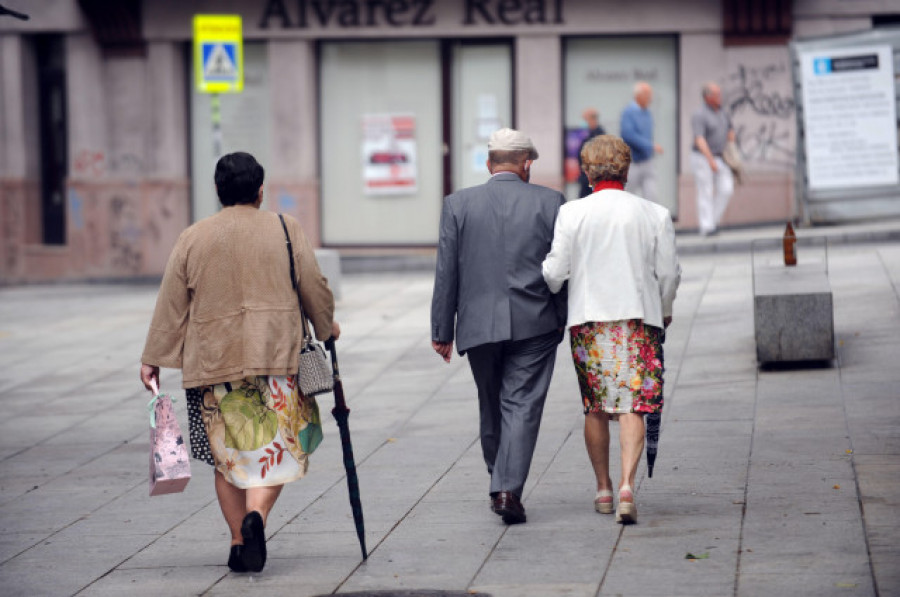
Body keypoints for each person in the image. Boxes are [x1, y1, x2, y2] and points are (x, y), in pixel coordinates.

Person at [139, 152, 340, 573]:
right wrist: (326, 326)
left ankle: (237, 541)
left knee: (227, 456)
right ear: (260, 190)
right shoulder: (286, 228)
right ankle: (257, 519)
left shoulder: (193, 237)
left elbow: (171, 304)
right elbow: (313, 286)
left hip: (215, 362)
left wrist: (153, 358)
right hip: (278, 357)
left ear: (217, 191)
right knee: (277, 448)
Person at [431, 128, 567, 525]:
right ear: (527, 164)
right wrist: (563, 317)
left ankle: (501, 480)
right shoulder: (551, 202)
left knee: (491, 402)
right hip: (536, 321)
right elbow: (562, 267)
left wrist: (442, 330)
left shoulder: (458, 204)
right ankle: (506, 487)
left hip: (478, 325)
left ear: (490, 164)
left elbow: (446, 272)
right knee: (521, 404)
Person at [542, 135, 680, 524]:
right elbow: (668, 274)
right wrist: (664, 309)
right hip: (639, 320)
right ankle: (627, 487)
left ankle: (602, 488)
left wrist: (548, 280)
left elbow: (555, 273)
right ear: (627, 169)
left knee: (597, 405)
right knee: (634, 404)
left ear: (587, 171)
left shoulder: (572, 213)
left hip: (589, 321)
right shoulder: (654, 213)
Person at [691, 82, 736, 236]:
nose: (719, 97)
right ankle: (706, 227)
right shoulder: (700, 114)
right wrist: (710, 160)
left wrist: (732, 150)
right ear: (707, 97)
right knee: (706, 191)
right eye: (716, 94)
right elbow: (699, 139)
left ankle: (713, 221)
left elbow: (730, 131)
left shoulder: (723, 113)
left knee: (726, 189)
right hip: (702, 157)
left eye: (719, 93)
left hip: (720, 156)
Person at [620, 81, 663, 204]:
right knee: (628, 197)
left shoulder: (648, 113)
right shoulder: (628, 112)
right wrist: (650, 145)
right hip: (633, 163)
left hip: (647, 161)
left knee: (652, 197)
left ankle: (651, 223)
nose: (651, 98)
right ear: (638, 95)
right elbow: (628, 135)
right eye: (648, 95)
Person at [578, 108, 606, 198]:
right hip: (586, 177)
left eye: (585, 120)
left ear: (592, 119)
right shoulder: (588, 134)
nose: (584, 123)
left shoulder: (600, 137)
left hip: (592, 179)